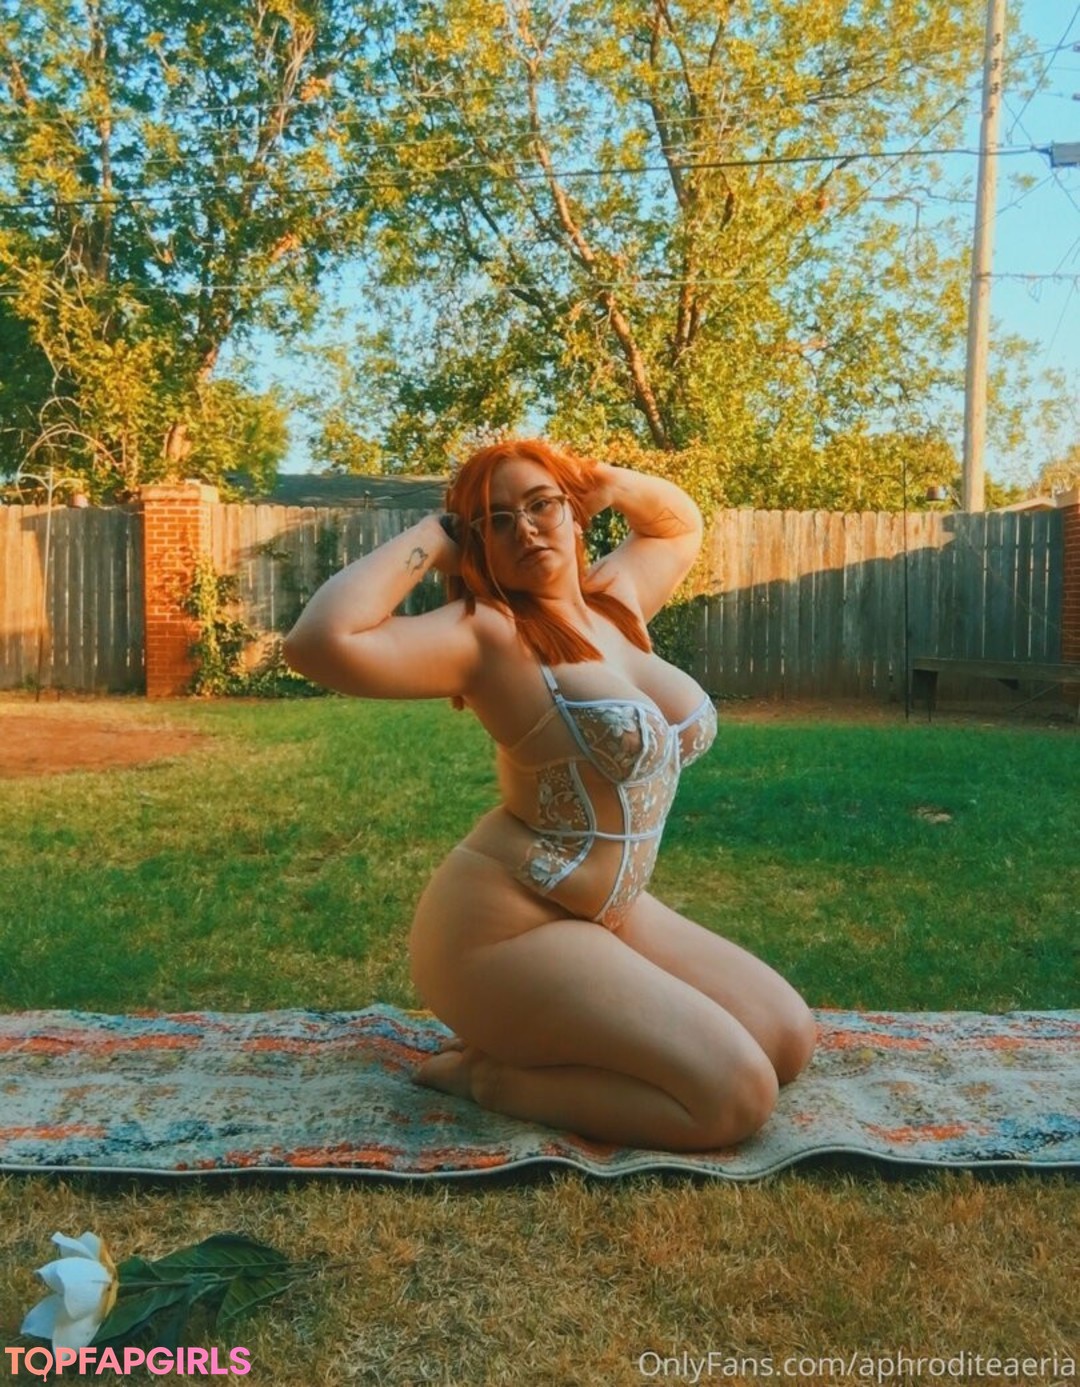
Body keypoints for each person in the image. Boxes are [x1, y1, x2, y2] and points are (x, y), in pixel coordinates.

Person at [283, 439, 816, 1152]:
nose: (527, 529)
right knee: (735, 1096)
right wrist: (433, 538)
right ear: (477, 545)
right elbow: (316, 642)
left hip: (607, 913)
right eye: (497, 522)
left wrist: (601, 480)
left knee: (788, 1039)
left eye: (542, 506)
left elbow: (678, 524)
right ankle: (490, 1078)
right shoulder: (486, 633)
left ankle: (565, 1038)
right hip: (502, 931)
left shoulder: (615, 604)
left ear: (572, 513)